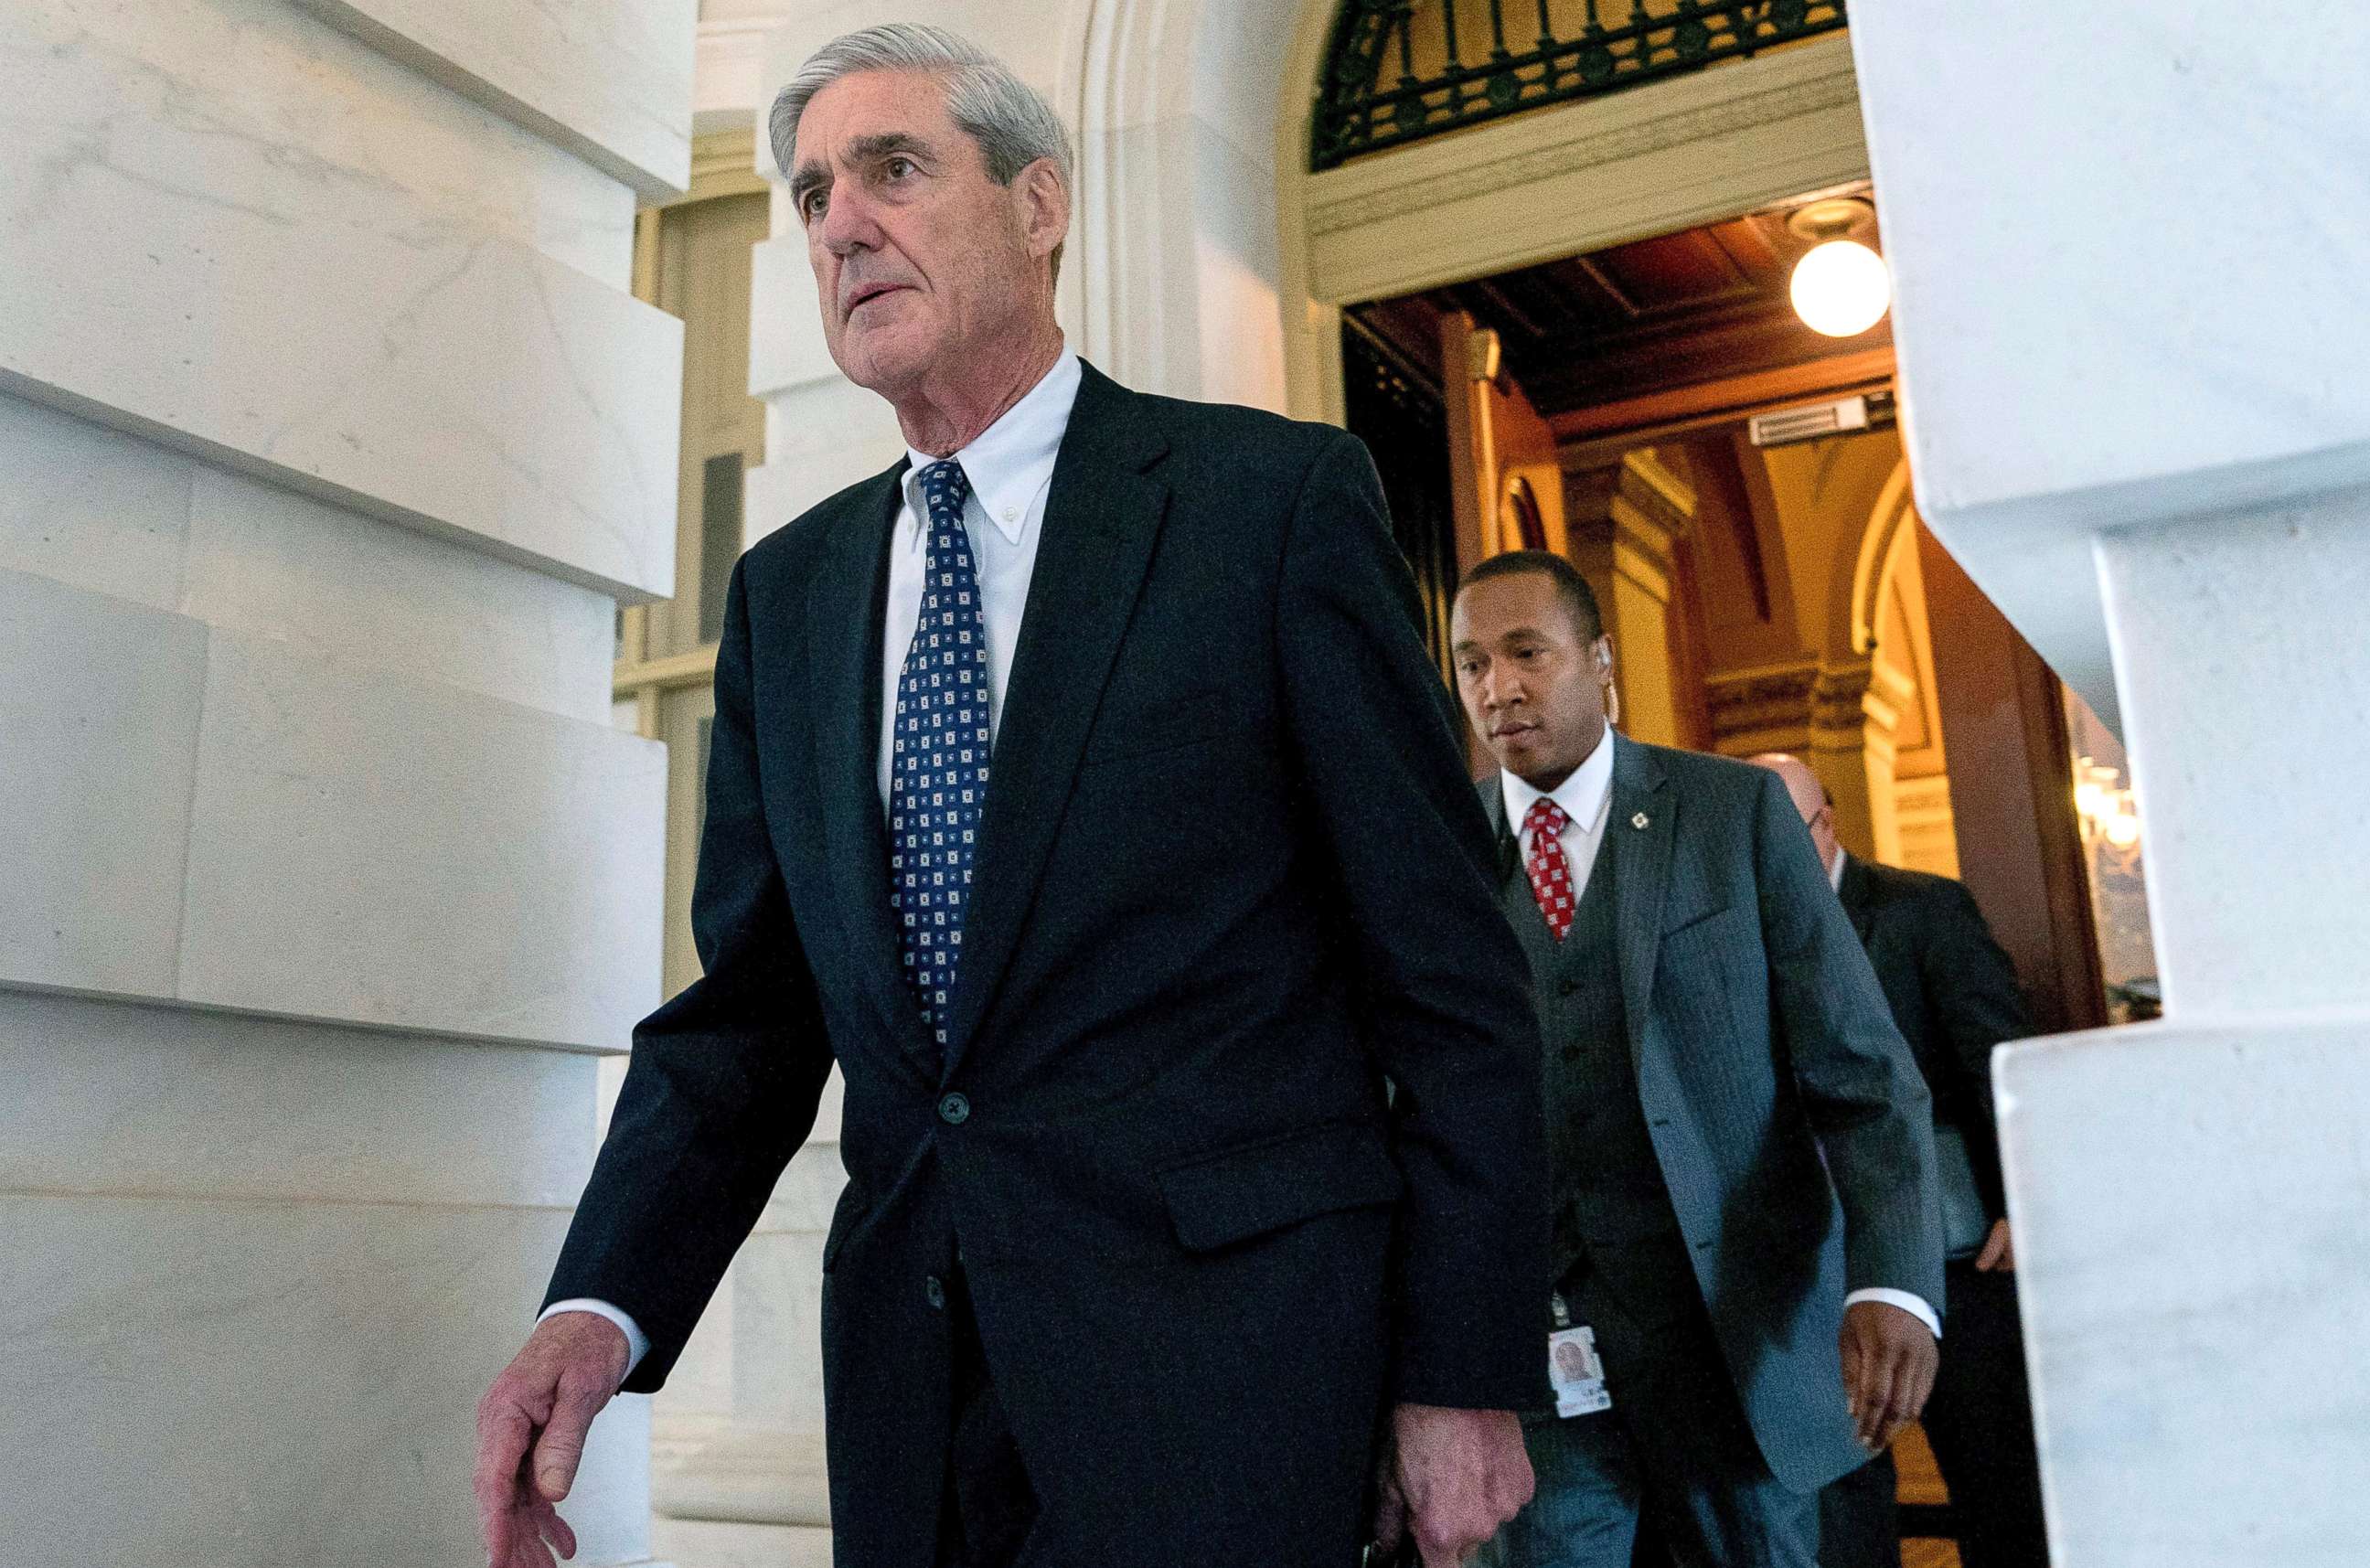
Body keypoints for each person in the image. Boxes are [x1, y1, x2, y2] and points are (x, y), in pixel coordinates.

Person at [473, 24, 1552, 1568]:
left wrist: (1460, 1374)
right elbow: (755, 1018)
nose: (842, 219)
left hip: (1235, 1382)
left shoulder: (1269, 509)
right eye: (813, 192)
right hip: (921, 1402)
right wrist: (598, 1304)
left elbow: (1448, 981)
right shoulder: (790, 594)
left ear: (1039, 205)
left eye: (894, 169)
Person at [1449, 551, 1945, 1568]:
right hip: (1532, 1365)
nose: (1498, 687)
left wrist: (1892, 1282)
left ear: (1599, 658)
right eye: (1470, 663)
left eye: (1525, 652)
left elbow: (1861, 1071)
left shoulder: (1732, 814)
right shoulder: (1434, 851)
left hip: (1735, 1345)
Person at [1749, 756, 2052, 1568]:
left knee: (2002, 1495)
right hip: (1819, 1276)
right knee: (1848, 1510)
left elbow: (2002, 1059)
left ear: (1831, 822)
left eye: (1794, 831)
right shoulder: (1739, 932)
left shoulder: (1923, 911)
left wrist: (2028, 1200)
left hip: (1957, 1260)